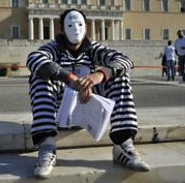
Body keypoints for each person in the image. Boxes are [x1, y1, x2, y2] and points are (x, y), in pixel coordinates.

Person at [26, 9, 149, 179]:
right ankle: (47, 148)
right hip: (60, 114)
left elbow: (125, 61)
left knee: (120, 77)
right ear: (61, 29)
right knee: (39, 76)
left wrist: (98, 75)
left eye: (79, 24)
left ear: (87, 27)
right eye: (70, 25)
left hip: (87, 110)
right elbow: (34, 59)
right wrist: (71, 79)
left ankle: (123, 144)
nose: (75, 29)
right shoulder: (53, 48)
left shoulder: (94, 49)